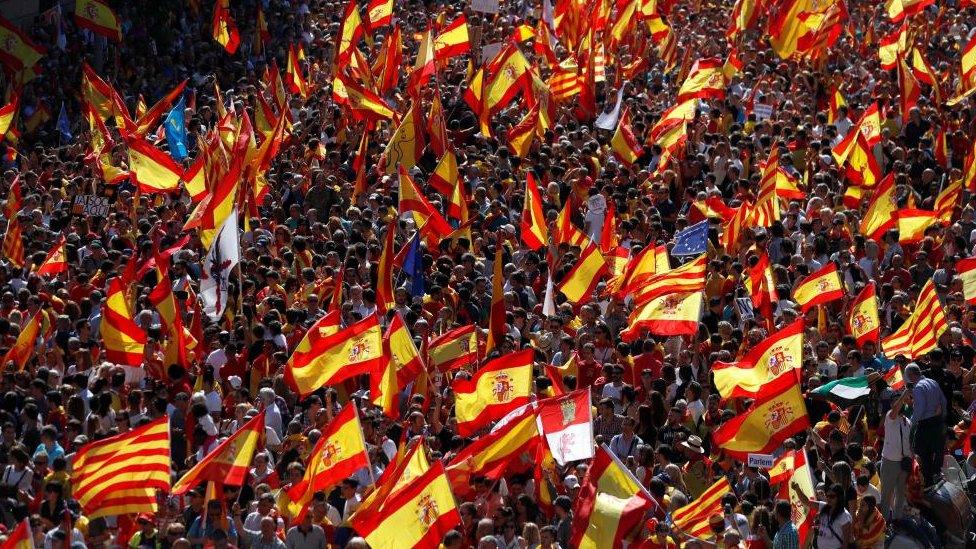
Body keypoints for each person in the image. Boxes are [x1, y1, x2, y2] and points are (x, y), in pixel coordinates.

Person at [905, 363, 947, 487]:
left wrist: (911, 424)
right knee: (938, 452)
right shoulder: (932, 382)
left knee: (924, 455)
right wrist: (941, 417)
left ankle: (929, 483)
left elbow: (920, 409)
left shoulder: (918, 388)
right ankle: (936, 477)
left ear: (911, 375)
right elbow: (943, 401)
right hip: (938, 422)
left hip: (925, 426)